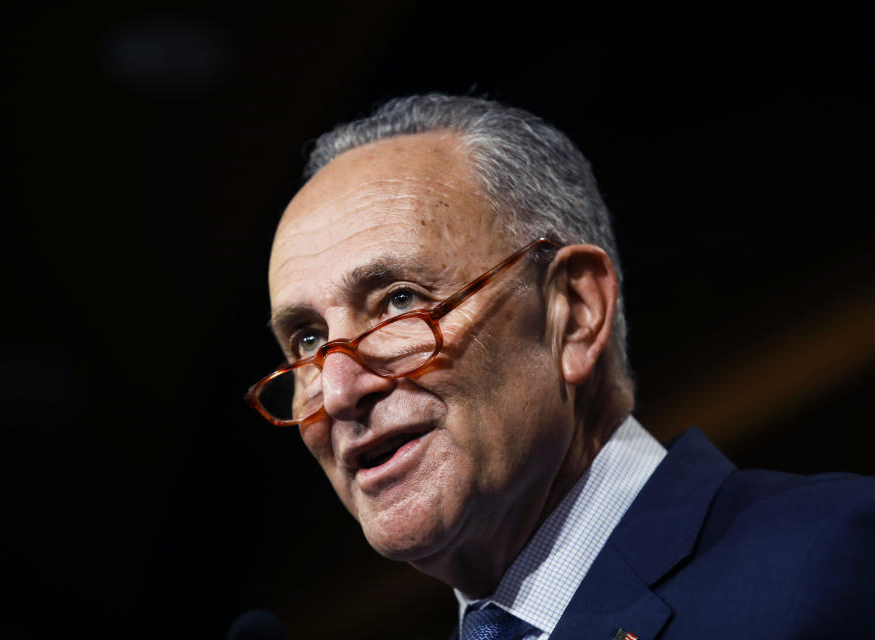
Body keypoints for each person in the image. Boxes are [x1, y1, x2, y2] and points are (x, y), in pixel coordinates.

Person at [245, 95, 875, 639]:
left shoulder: (827, 560)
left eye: (400, 302)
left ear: (573, 313)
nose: (338, 388)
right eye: (306, 341)